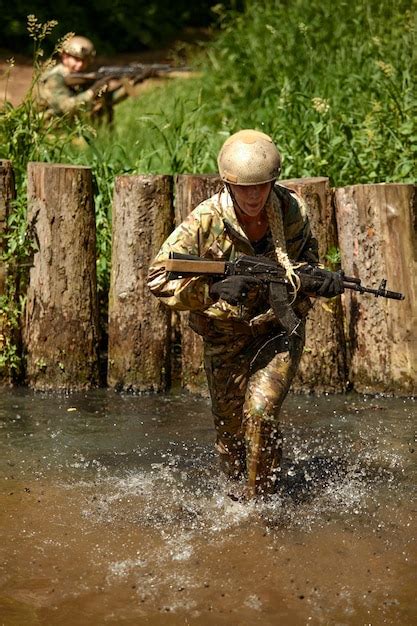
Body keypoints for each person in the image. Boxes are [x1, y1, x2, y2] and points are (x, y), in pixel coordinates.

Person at [147, 129, 343, 499]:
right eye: (244, 189)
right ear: (227, 184)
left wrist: (320, 281)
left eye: (262, 187)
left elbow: (306, 262)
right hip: (224, 335)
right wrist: (210, 290)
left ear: (273, 182)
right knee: (231, 435)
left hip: (277, 329)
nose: (253, 196)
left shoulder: (290, 210)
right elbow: (158, 278)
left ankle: (262, 505)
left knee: (261, 410)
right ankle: (240, 495)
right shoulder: (206, 220)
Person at [35, 35, 126, 121]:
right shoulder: (54, 78)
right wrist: (92, 91)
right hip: (51, 130)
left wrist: (125, 85)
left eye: (84, 60)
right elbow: (65, 109)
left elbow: (106, 102)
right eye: (76, 59)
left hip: (71, 126)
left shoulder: (82, 77)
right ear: (64, 56)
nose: (80, 64)